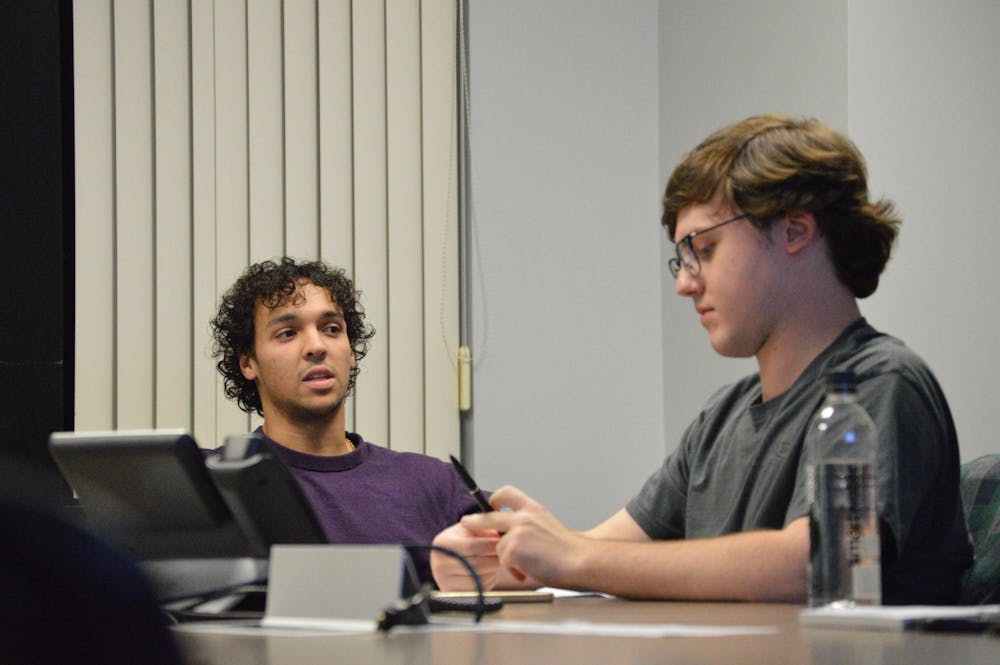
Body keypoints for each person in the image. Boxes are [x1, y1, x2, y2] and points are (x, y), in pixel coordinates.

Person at [431, 114, 972, 604]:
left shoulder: (881, 384)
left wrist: (570, 556)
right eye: (682, 259)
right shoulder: (723, 417)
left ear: (794, 230)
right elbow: (598, 553)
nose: (686, 284)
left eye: (704, 250)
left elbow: (816, 566)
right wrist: (504, 562)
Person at [210, 257, 481, 583]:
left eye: (331, 329)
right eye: (287, 333)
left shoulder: (434, 484)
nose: (316, 346)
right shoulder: (213, 486)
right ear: (247, 362)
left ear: (351, 353)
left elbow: (523, 572)